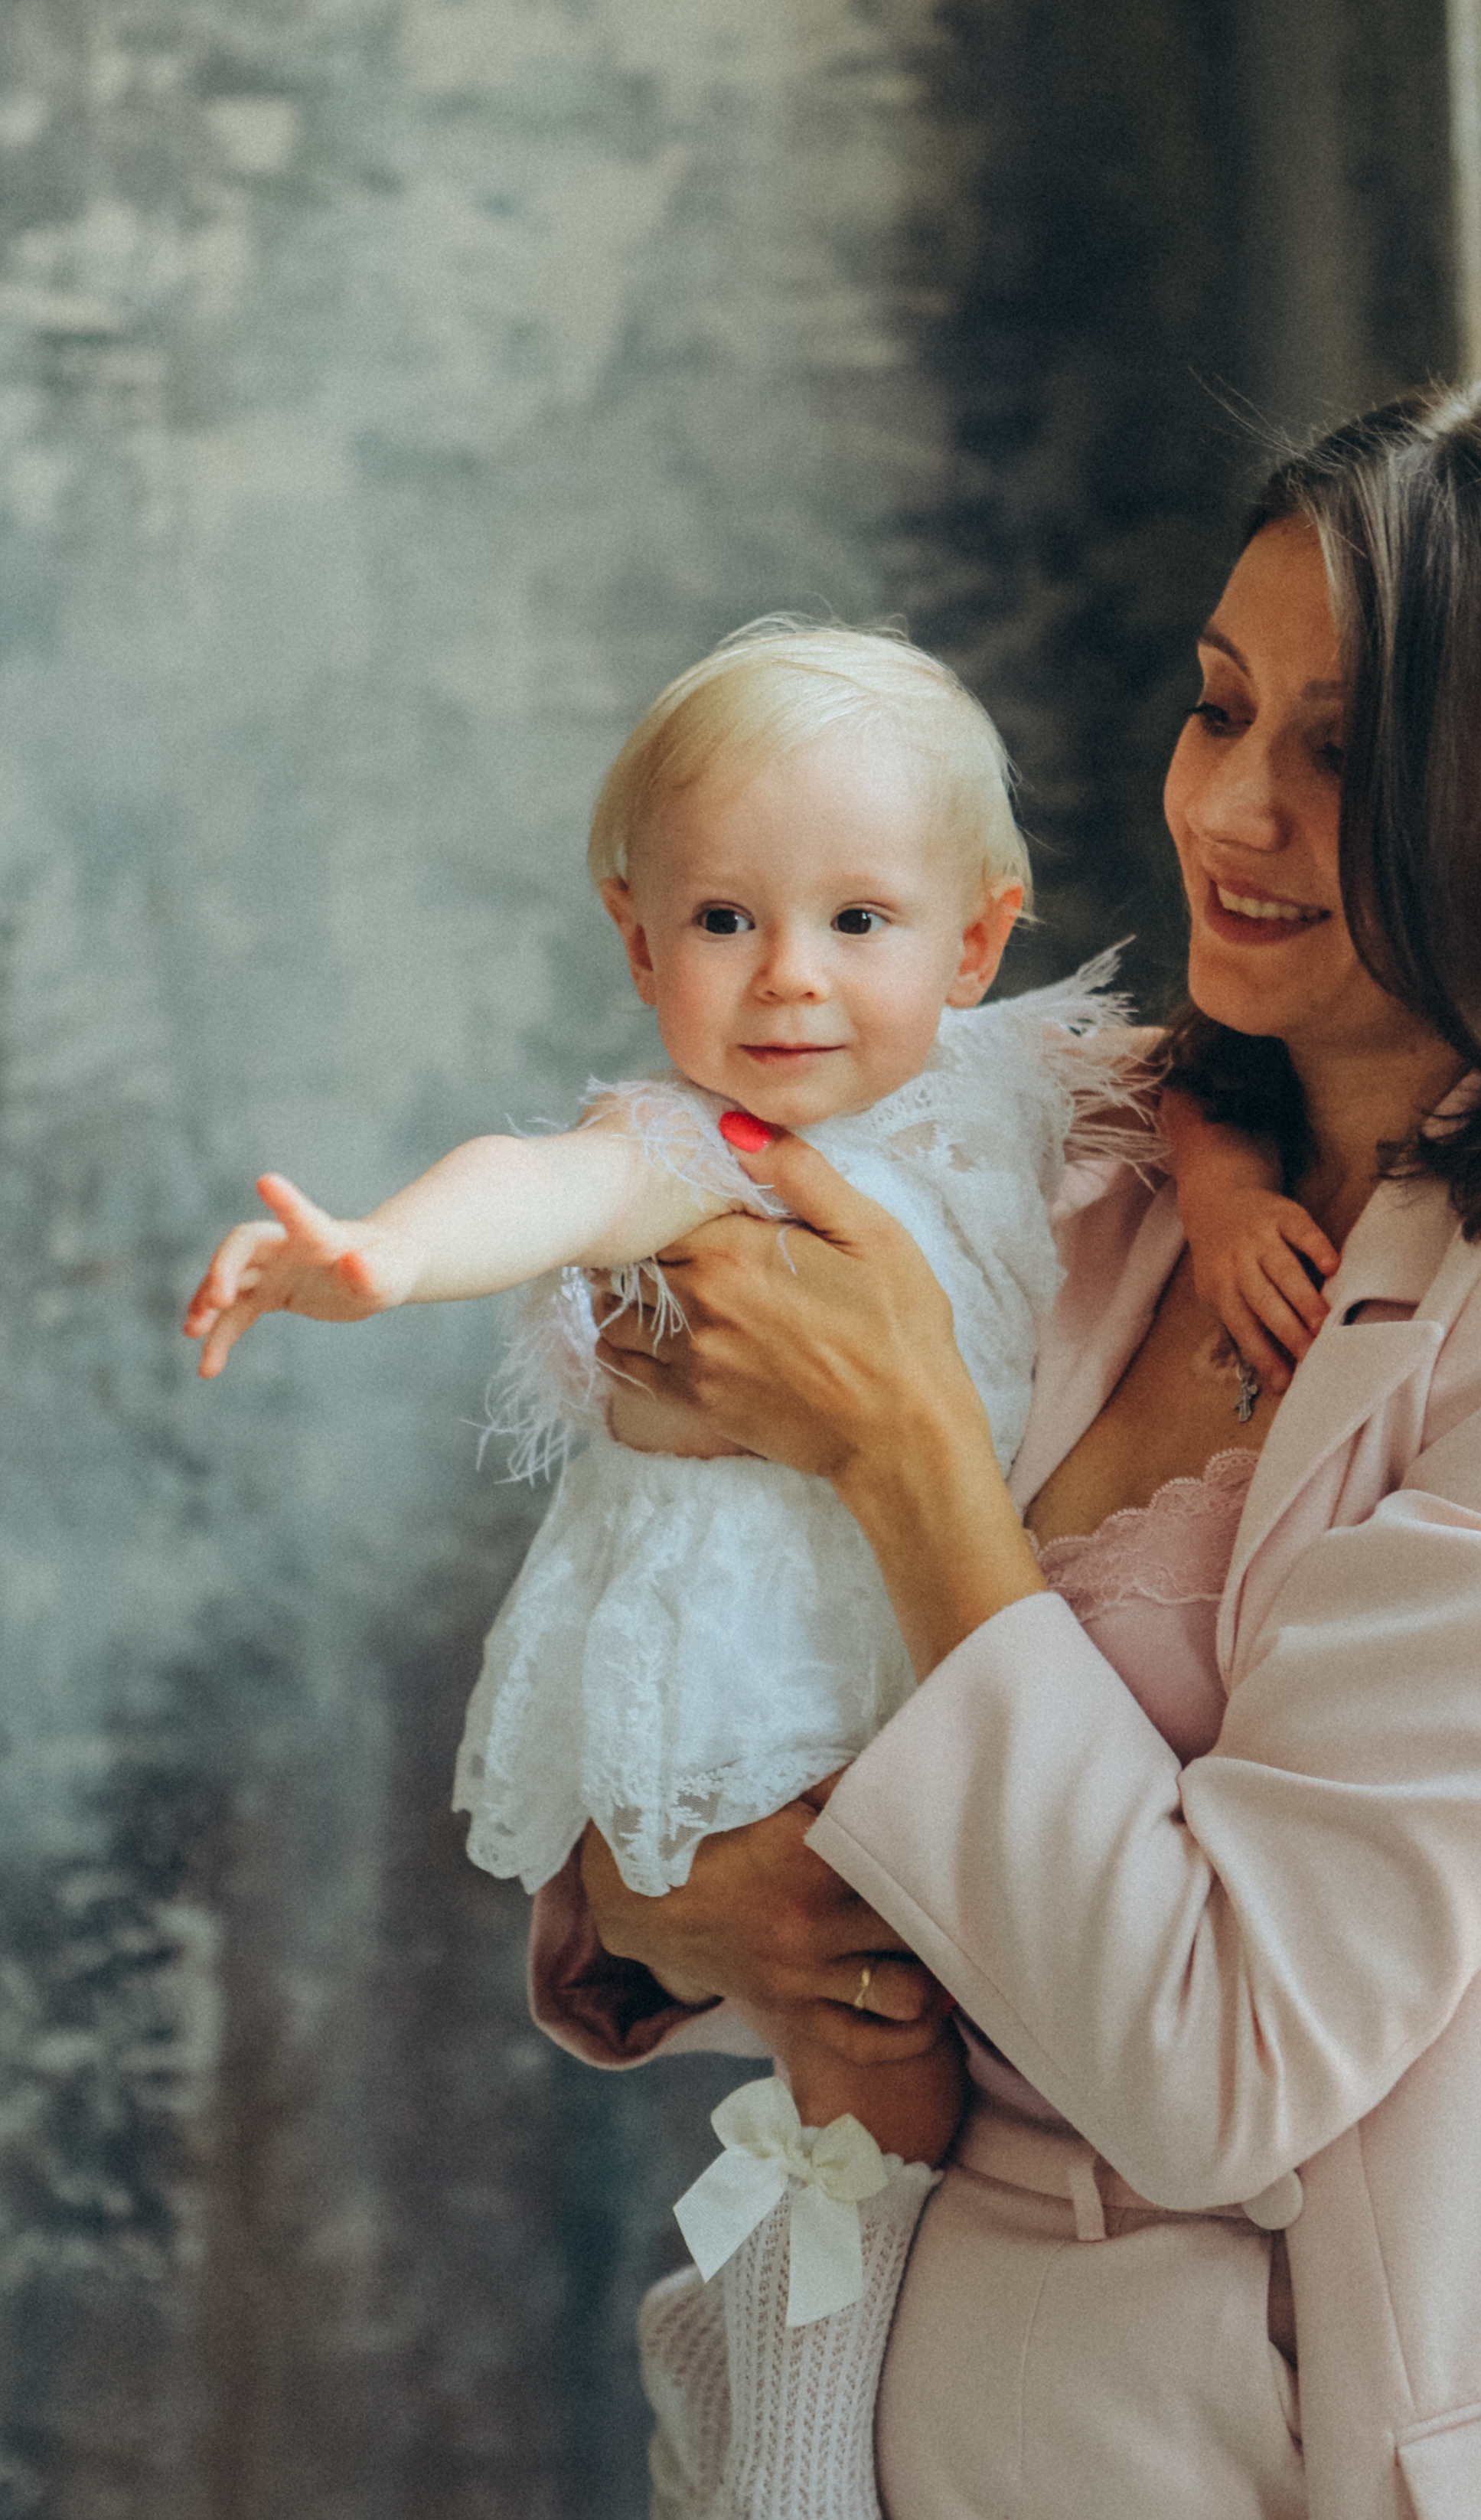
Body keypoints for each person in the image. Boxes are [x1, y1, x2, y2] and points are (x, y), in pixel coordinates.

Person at [548, 384, 1481, 2520]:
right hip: (814, 2417)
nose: (1229, 807)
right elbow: (710, 1640)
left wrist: (913, 1453)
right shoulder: (1080, 1142)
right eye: (1217, 710)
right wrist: (679, 1905)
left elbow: (1222, 2059)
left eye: (1342, 752)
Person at [183, 618, 1317, 2520]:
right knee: (871, 2073)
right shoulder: (690, 1143)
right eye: (724, 923)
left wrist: (1222, 1195)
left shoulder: (1018, 1078)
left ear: (974, 939)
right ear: (641, 944)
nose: (790, 979)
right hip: (764, 1671)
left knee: (959, 2049)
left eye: (859, 922)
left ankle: (779, 2372)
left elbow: (1190, 1086)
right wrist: (380, 1252)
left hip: (947, 1660)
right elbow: (537, 1183)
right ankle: (787, 2453)